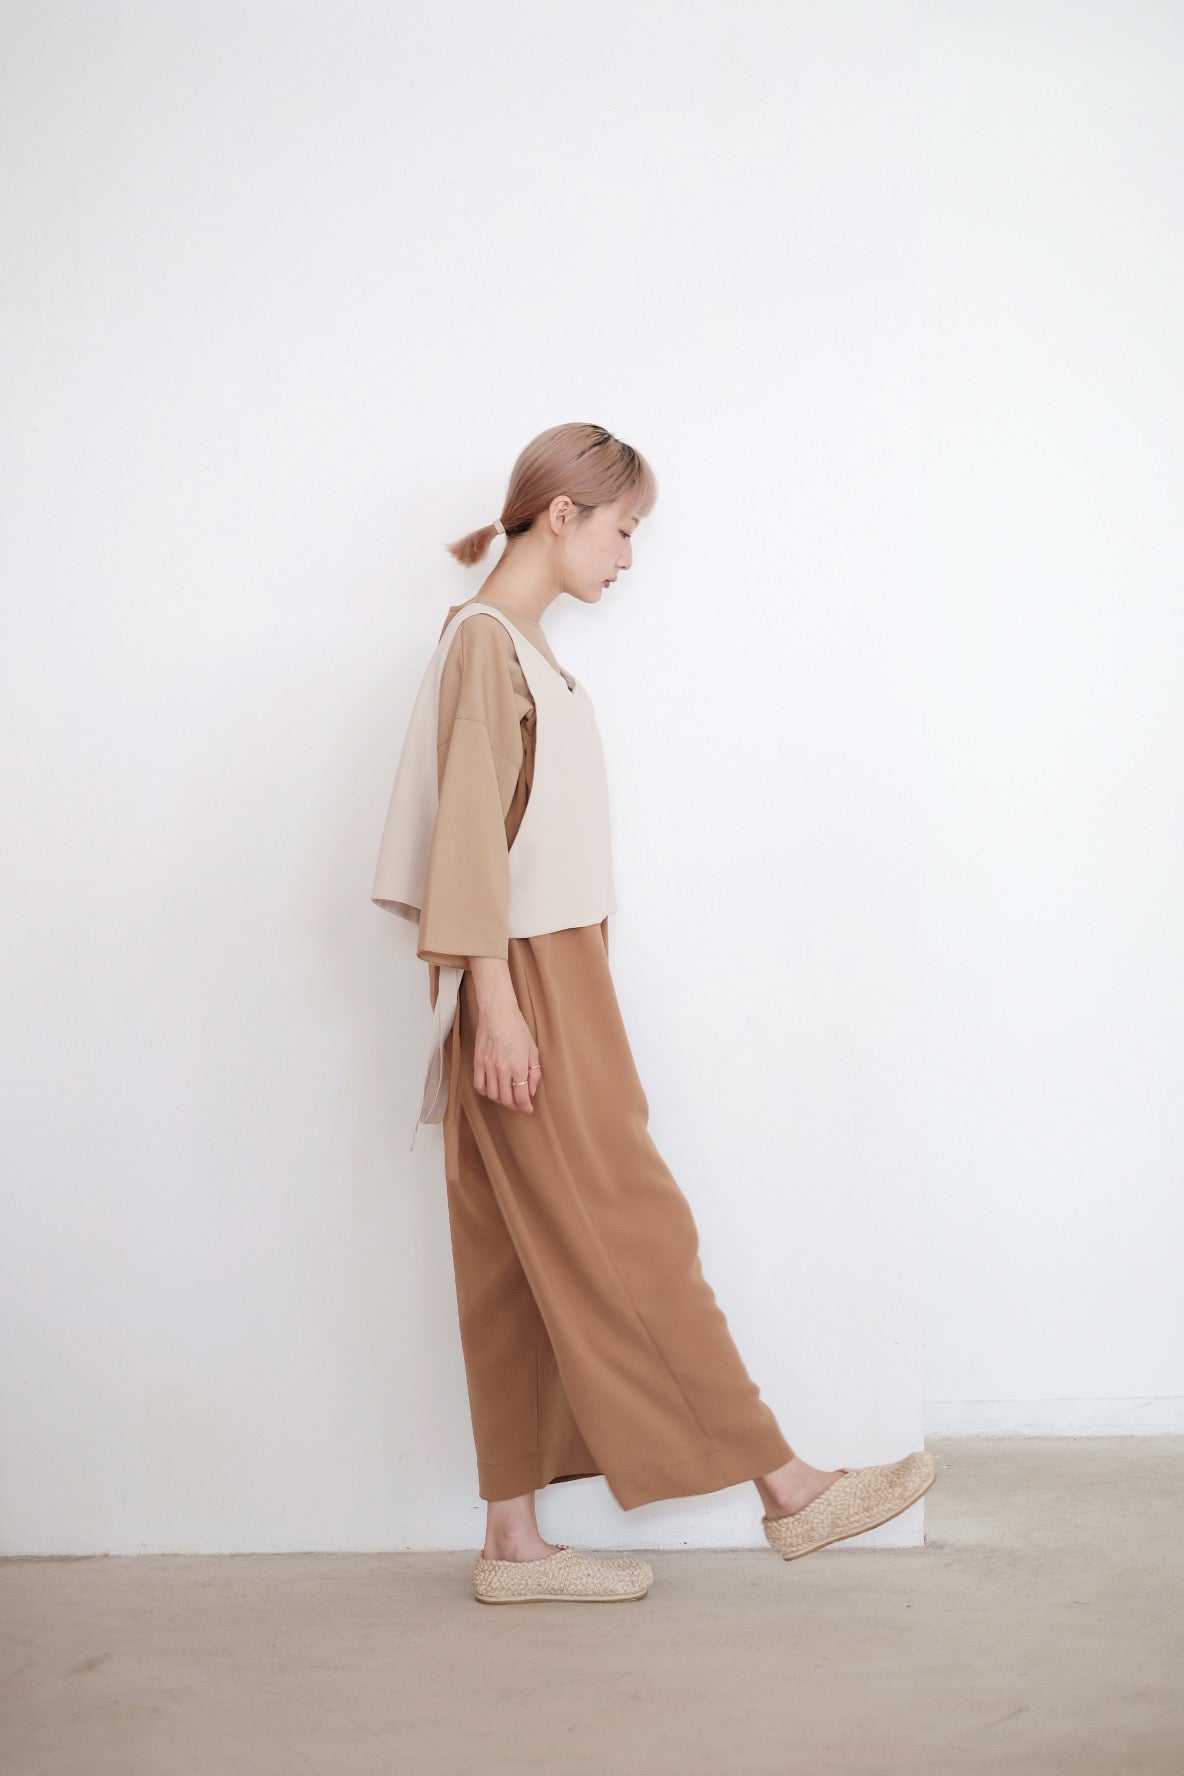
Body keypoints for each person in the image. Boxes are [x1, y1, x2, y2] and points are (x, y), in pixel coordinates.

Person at [372, 422, 936, 1604]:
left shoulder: (513, 644)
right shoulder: (486, 644)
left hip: (541, 968)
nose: (630, 555)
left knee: (509, 1260)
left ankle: (511, 1546)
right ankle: (789, 1488)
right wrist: (500, 1009)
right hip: (524, 978)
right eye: (624, 529)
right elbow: (469, 837)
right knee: (635, 1227)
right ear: (562, 513)